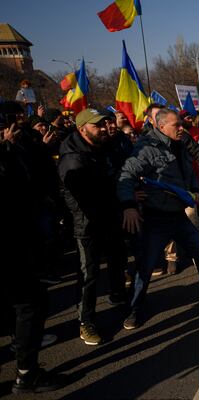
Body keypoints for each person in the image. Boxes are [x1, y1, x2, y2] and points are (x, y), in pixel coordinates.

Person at [118, 109, 199, 330]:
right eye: (176, 125)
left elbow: (195, 153)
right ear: (160, 127)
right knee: (146, 266)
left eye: (182, 124)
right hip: (156, 218)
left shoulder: (180, 139)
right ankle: (133, 309)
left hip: (179, 215)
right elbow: (125, 176)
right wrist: (129, 205)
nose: (182, 128)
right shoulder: (146, 148)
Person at [1, 124, 67, 394]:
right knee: (30, 303)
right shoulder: (7, 158)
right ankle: (27, 375)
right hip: (12, 247)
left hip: (16, 244)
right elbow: (23, 186)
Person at [58, 109, 128, 345]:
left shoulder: (104, 146)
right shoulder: (73, 158)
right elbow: (81, 197)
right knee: (89, 274)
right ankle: (85, 321)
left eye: (104, 123)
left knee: (118, 258)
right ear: (83, 129)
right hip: (87, 224)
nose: (103, 128)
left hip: (110, 217)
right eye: (97, 125)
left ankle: (118, 296)